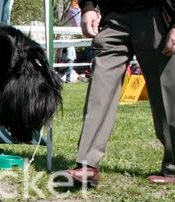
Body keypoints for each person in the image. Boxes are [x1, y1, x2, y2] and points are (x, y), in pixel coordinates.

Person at [64, 0, 175, 185]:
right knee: (100, 87)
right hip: (114, 15)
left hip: (157, 14)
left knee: (166, 93)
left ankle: (173, 167)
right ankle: (87, 165)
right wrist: (88, 7)